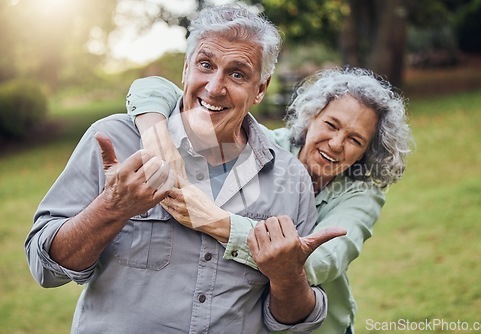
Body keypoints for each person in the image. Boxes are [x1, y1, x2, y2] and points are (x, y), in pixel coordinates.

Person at [25, 5, 336, 333]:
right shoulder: (115, 140)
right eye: (206, 65)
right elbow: (45, 268)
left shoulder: (289, 176)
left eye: (237, 73)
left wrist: (287, 277)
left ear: (260, 88)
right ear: (186, 69)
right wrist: (112, 208)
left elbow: (295, 323)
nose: (215, 87)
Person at [126, 66, 413, 333]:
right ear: (311, 116)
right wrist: (154, 133)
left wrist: (215, 222)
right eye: (331, 124)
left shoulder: (362, 195)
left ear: (365, 152)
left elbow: (318, 262)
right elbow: (157, 90)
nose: (336, 144)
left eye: (355, 140)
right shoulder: (265, 144)